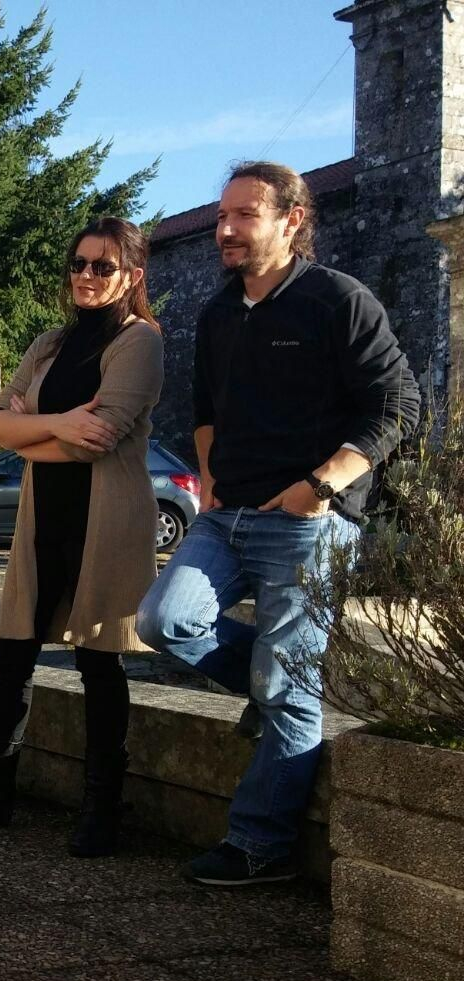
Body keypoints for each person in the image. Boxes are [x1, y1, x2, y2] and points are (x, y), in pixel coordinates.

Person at [136, 161, 420, 886]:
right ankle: (274, 690)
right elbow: (203, 410)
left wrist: (320, 486)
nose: (225, 229)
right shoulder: (221, 310)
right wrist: (210, 477)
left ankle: (258, 845)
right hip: (226, 511)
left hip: (307, 522)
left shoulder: (337, 301)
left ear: (292, 220)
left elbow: (398, 407)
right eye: (222, 215)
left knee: (289, 682)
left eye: (244, 216)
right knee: (165, 622)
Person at [0, 217, 165, 857]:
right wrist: (60, 422)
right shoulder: (49, 342)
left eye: (103, 266)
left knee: (99, 661)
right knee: (12, 654)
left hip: (106, 518)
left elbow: (106, 435)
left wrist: (31, 432)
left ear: (131, 276)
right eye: (79, 264)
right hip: (45, 517)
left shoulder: (138, 342)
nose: (87, 276)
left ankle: (101, 808)